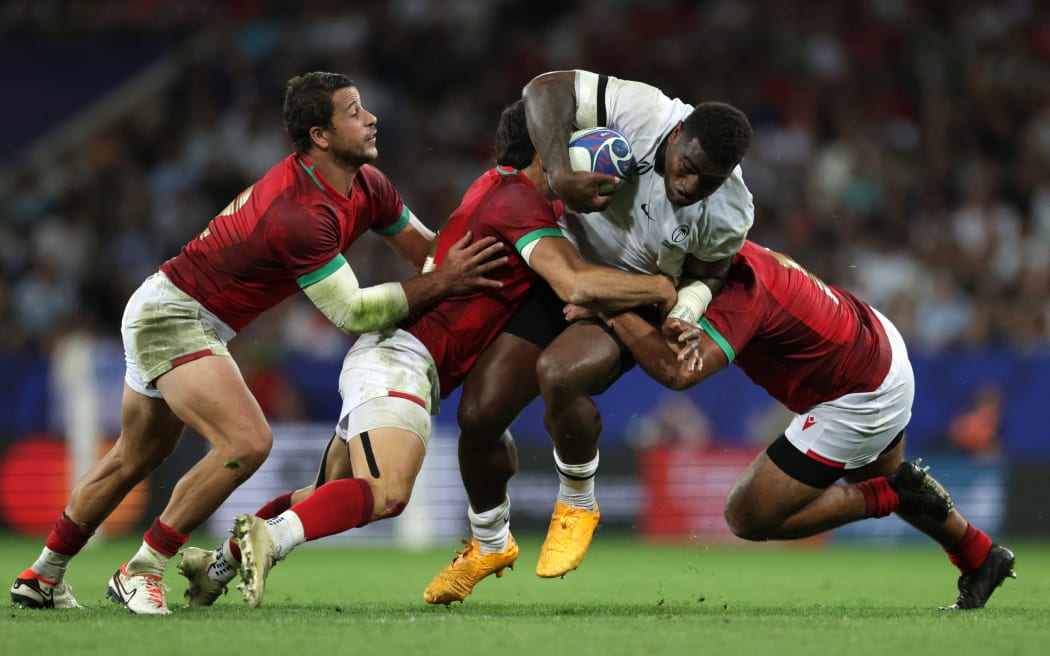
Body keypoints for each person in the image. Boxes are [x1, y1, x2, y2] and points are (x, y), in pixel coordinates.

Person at [8, 71, 507, 615]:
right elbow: (353, 311)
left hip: (173, 307)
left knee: (134, 457)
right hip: (173, 315)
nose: (371, 118)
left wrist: (473, 275)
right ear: (320, 135)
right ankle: (142, 569)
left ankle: (44, 575)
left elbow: (428, 254)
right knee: (246, 442)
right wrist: (445, 281)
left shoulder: (368, 185)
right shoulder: (300, 212)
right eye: (354, 111)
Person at [174, 99, 677, 608]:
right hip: (401, 359)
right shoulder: (517, 203)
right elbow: (572, 281)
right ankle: (271, 540)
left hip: (393, 357)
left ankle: (215, 566)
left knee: (326, 493)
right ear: (548, 152)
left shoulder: (506, 189)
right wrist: (658, 287)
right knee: (387, 493)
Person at [425, 68, 755, 603]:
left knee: (559, 374)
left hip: (631, 301)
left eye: (708, 181)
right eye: (687, 168)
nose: (689, 186)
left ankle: (578, 501)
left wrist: (688, 306)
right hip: (567, 273)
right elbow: (542, 90)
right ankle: (489, 543)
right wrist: (558, 171)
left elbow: (711, 271)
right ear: (675, 137)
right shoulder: (646, 111)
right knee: (477, 417)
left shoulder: (732, 209)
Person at [596, 240, 1016, 610]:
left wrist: (610, 307)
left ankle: (889, 494)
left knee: (747, 516)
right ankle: (981, 556)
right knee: (883, 477)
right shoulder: (731, 257)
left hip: (858, 391)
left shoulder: (740, 293)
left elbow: (677, 371)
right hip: (872, 344)